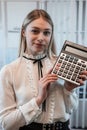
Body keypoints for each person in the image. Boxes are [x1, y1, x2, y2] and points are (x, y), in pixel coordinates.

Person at [0, 9, 87, 130]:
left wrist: (69, 89)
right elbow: (6, 124)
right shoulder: (8, 71)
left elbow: (71, 110)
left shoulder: (63, 64)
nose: (41, 37)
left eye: (46, 33)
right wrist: (38, 99)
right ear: (23, 32)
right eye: (35, 31)